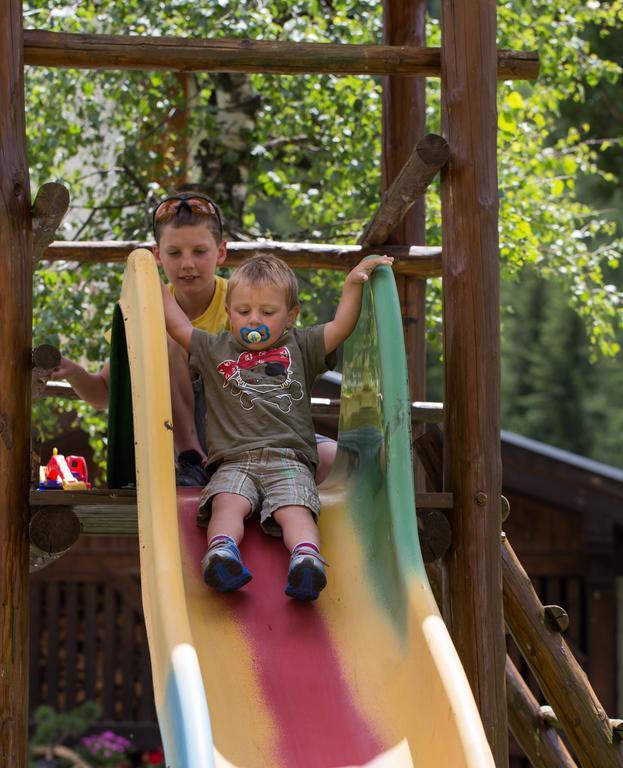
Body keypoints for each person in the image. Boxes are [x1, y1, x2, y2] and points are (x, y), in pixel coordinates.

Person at [51, 191, 337, 485]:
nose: (188, 263)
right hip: (205, 440)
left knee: (336, 460)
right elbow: (103, 395)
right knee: (167, 337)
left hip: (262, 426)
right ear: (158, 256)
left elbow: (281, 365)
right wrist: (73, 371)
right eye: (175, 253)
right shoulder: (149, 311)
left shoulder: (245, 306)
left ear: (221, 252)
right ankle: (191, 457)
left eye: (199, 252)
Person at [160, 252, 393, 601]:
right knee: (227, 504)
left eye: (267, 313)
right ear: (228, 312)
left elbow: (341, 326)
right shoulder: (214, 348)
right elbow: (177, 326)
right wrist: (155, 281)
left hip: (290, 459)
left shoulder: (300, 346)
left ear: (290, 316)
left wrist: (352, 284)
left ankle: (307, 559)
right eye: (243, 312)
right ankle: (222, 553)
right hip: (233, 460)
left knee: (295, 509)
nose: (254, 320)